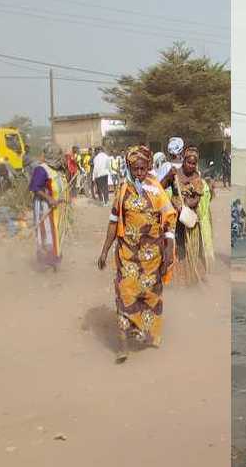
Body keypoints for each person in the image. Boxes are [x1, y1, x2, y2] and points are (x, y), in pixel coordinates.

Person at [96, 145, 177, 363]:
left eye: (142, 169)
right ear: (129, 167)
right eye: (135, 169)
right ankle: (122, 346)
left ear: (148, 167)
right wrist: (104, 251)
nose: (139, 173)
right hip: (127, 255)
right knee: (125, 293)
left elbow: (169, 222)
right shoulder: (122, 191)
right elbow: (113, 223)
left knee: (149, 297)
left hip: (152, 257)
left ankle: (144, 332)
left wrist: (169, 250)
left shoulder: (157, 190)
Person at [171, 145, 215, 285]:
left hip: (190, 218)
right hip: (176, 219)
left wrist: (186, 205)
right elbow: (164, 190)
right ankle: (178, 280)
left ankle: (193, 278)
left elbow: (197, 198)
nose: (191, 165)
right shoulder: (175, 174)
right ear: (183, 161)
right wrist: (175, 203)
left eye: (194, 163)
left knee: (192, 249)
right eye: (188, 162)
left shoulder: (197, 177)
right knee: (178, 247)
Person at [30, 143, 70, 271]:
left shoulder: (58, 169)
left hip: (58, 209)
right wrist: (49, 199)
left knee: (56, 234)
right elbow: (35, 188)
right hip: (45, 208)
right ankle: (45, 263)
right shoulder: (41, 169)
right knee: (46, 234)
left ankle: (55, 259)